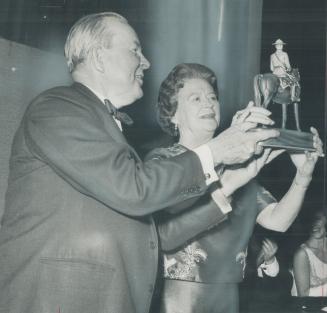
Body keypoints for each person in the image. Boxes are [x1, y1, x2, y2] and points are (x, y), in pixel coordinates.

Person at [0, 12, 280, 313]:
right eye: (135, 50)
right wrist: (218, 150)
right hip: (62, 299)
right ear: (98, 57)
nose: (145, 62)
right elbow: (135, 190)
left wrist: (232, 181)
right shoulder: (58, 108)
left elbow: (158, 237)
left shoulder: (104, 128)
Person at [151, 63, 323, 313]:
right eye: (196, 98)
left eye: (212, 97)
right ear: (173, 115)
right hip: (180, 295)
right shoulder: (163, 161)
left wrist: (303, 176)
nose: (208, 104)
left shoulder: (239, 166)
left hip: (230, 293)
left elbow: (279, 221)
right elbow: (166, 228)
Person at [292, 210, 327, 297]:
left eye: (318, 219)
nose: (314, 223)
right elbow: (303, 294)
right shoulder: (302, 254)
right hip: (309, 307)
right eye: (313, 220)